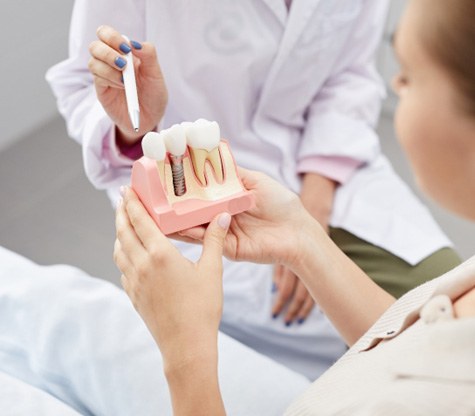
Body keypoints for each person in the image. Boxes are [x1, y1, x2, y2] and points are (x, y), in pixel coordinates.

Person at [46, 0, 460, 379]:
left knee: (443, 307)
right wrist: (135, 122)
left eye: (409, 76)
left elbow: (350, 73)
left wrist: (315, 199)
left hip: (332, 169)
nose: (398, 84)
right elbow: (85, 88)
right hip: (193, 186)